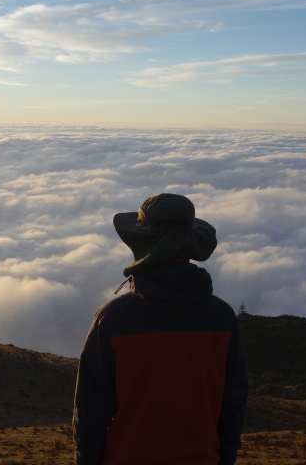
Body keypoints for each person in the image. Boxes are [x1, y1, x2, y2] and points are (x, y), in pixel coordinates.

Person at [73, 193, 248, 465]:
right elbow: (232, 403)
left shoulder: (113, 319)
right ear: (192, 243)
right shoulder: (221, 317)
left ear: (141, 242)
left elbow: (91, 412)